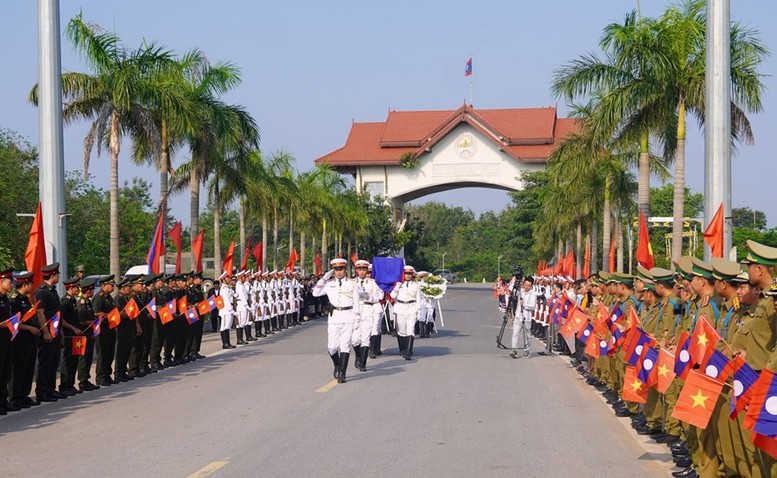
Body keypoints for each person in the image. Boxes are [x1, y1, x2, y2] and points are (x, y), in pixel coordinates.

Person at [312, 258, 359, 383]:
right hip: (334, 317)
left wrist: (357, 319)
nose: (339, 272)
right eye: (336, 269)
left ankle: (342, 373)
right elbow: (315, 293)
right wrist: (323, 279)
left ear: (345, 269)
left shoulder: (352, 284)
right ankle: (337, 364)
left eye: (341, 269)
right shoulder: (329, 284)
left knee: (345, 346)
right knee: (332, 347)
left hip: (348, 316)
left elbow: (356, 303)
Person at [8, 271, 40, 409]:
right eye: (31, 283)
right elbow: (14, 323)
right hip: (20, 340)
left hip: (30, 340)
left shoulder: (26, 299)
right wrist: (29, 328)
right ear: (25, 284)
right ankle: (15, 397)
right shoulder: (14, 300)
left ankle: (24, 395)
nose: (32, 286)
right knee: (19, 369)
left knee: (28, 368)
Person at [34, 262, 65, 402]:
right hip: (48, 332)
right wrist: (46, 332)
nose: (58, 277)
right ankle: (42, 391)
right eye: (57, 275)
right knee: (46, 363)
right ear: (52, 276)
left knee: (54, 362)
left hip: (55, 331)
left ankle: (51, 389)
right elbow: (40, 313)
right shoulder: (41, 292)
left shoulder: (52, 290)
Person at [352, 260, 382, 372]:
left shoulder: (372, 283)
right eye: (360, 270)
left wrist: (367, 297)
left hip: (368, 309)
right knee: (355, 340)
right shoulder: (352, 282)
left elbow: (378, 297)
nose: (362, 272)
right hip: (356, 311)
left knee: (365, 338)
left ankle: (363, 363)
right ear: (357, 271)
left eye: (364, 270)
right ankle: (358, 356)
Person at [58, 276, 84, 396]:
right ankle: (64, 385)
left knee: (74, 360)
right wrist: (73, 328)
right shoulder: (66, 301)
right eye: (76, 287)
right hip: (69, 335)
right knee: (68, 361)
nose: (78, 289)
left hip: (76, 335)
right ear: (71, 288)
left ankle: (70, 384)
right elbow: (61, 319)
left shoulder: (73, 300)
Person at [390, 265, 421, 360]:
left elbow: (418, 299)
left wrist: (419, 311)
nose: (408, 276)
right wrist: (397, 287)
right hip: (400, 308)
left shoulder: (416, 286)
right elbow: (392, 295)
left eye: (409, 274)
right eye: (406, 273)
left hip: (411, 307)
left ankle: (408, 351)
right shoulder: (398, 285)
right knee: (401, 329)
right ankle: (402, 349)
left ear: (412, 275)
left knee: (410, 330)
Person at [93, 274, 118, 386]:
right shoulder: (99, 297)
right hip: (102, 329)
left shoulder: (109, 297)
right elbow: (95, 312)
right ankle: (101, 377)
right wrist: (105, 315)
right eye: (111, 285)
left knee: (109, 353)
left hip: (110, 328)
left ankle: (107, 375)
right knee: (102, 354)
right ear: (104, 285)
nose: (113, 287)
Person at [76, 277, 99, 391]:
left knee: (89, 356)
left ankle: (86, 379)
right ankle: (82, 381)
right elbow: (81, 320)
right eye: (92, 290)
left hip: (90, 333)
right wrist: (94, 322)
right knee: (83, 358)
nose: (93, 292)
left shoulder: (88, 301)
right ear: (88, 290)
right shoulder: (81, 302)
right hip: (83, 333)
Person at [0, 267, 15, 414]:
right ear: (2, 281)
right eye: (10, 281)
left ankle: (3, 401)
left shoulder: (6, 299)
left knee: (5, 371)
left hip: (7, 339)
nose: (12, 284)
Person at [510, 276, 536, 358]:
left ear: (531, 285)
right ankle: (514, 350)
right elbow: (511, 289)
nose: (527, 287)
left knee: (527, 334)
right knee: (515, 333)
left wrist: (524, 305)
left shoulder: (533, 294)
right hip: (518, 316)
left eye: (529, 285)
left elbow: (533, 306)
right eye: (525, 284)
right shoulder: (520, 291)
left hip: (527, 317)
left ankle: (526, 349)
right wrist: (516, 279)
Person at [218, 272, 236, 349]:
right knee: (224, 326)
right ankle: (225, 343)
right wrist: (231, 310)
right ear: (223, 279)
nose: (229, 279)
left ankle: (227, 342)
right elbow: (226, 301)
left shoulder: (227, 288)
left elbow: (234, 294)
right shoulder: (223, 289)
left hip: (229, 309)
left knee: (227, 326)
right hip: (225, 310)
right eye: (227, 278)